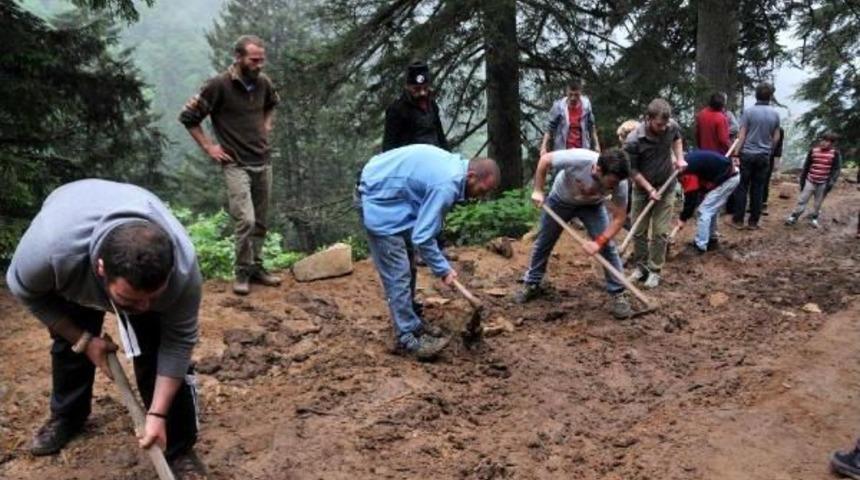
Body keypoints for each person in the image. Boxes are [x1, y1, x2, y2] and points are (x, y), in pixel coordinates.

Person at [5, 179, 206, 479]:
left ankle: (177, 446)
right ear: (101, 269)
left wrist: (157, 413)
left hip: (129, 211)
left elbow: (178, 343)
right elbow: (25, 291)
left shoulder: (183, 271)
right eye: (130, 300)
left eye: (153, 296)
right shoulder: (52, 253)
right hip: (74, 246)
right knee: (69, 341)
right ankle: (68, 417)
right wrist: (83, 340)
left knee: (156, 343)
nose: (143, 308)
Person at [358, 145, 500, 360]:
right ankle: (406, 338)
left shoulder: (456, 168)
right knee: (399, 272)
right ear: (471, 176)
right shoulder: (447, 185)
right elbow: (422, 237)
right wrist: (443, 269)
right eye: (481, 190)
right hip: (378, 196)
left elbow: (422, 230)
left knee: (408, 263)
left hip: (395, 193)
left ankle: (411, 320)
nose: (479, 197)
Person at [180, 34, 281, 295]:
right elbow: (188, 117)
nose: (259, 65)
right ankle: (242, 272)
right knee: (245, 219)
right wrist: (209, 146)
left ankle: (257, 267)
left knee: (260, 220)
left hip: (263, 160)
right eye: (254, 60)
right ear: (238, 57)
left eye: (262, 60)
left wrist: (267, 123)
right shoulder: (218, 85)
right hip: (235, 163)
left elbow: (272, 103)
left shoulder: (263, 83)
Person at [515, 148, 634, 318]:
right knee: (544, 242)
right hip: (560, 201)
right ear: (598, 169)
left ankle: (618, 293)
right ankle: (532, 283)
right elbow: (545, 160)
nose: (614, 187)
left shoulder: (620, 182)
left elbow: (619, 218)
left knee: (607, 247)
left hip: (593, 206)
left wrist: (598, 242)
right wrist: (538, 190)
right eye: (611, 182)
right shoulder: (578, 159)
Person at [623, 98, 686, 289]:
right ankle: (641, 267)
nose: (663, 127)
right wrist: (649, 189)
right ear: (648, 119)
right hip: (642, 190)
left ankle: (655, 270)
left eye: (666, 123)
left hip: (667, 187)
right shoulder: (633, 140)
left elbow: (677, 139)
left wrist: (679, 159)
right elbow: (632, 171)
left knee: (660, 232)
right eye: (659, 124)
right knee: (639, 231)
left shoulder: (671, 126)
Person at [730, 82, 781, 230]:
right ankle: (753, 221)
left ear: (756, 95)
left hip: (747, 154)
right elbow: (776, 136)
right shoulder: (775, 114)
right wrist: (770, 150)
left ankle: (738, 220)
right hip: (764, 155)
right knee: (758, 188)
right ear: (770, 97)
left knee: (742, 187)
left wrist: (735, 153)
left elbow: (742, 135)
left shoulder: (749, 112)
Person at [676, 150, 740, 253]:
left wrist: (683, 218)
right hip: (728, 175)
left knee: (704, 210)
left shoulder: (686, 171)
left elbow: (691, 198)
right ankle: (711, 238)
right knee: (710, 209)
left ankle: (700, 245)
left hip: (728, 178)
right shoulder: (687, 161)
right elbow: (700, 186)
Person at [382, 61, 449, 152]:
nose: (422, 93)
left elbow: (440, 137)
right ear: (407, 87)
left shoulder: (432, 105)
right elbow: (389, 147)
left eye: (425, 88)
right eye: (417, 89)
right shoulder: (396, 110)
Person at [785, 132, 843, 228]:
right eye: (823, 140)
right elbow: (806, 166)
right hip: (810, 180)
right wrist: (802, 180)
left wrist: (831, 182)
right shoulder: (813, 151)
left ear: (832, 143)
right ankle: (793, 217)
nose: (823, 143)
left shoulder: (835, 154)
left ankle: (814, 218)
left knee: (818, 202)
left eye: (827, 141)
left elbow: (836, 169)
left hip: (823, 182)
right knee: (802, 199)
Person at [540, 77, 601, 155]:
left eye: (576, 95)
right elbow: (549, 128)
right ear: (567, 92)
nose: (573, 98)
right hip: (563, 150)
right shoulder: (559, 106)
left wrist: (597, 145)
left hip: (582, 149)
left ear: (580, 93)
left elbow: (591, 127)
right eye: (570, 94)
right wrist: (543, 147)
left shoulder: (586, 106)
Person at [762, 126, 785, 215]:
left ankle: (763, 203)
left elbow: (779, 147)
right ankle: (753, 204)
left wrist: (777, 165)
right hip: (757, 154)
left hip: (769, 158)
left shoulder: (779, 130)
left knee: (765, 181)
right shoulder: (760, 126)